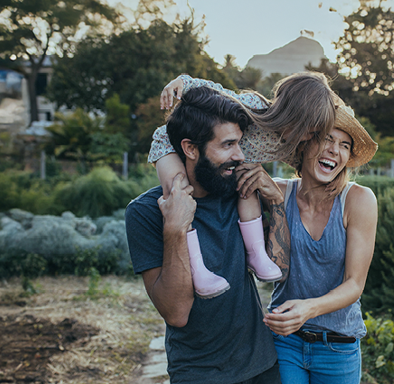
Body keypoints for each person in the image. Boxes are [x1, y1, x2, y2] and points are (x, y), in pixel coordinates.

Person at [126, 87, 287, 384]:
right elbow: (176, 313)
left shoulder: (237, 193)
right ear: (190, 148)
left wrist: (275, 202)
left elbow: (282, 263)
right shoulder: (145, 212)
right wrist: (175, 229)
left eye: (239, 143)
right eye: (227, 145)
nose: (239, 155)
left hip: (263, 366)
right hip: (198, 374)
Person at [149, 72, 336, 298]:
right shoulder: (255, 107)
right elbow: (216, 91)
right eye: (308, 129)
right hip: (169, 142)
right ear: (292, 114)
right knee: (177, 192)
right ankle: (197, 269)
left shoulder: (291, 144)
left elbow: (312, 165)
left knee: (248, 185)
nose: (309, 136)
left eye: (315, 132)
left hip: (231, 158)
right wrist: (183, 83)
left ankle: (256, 253)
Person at [260, 97, 379, 383]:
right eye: (326, 138)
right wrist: (190, 84)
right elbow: (241, 132)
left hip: (338, 347)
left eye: (344, 144)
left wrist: (308, 308)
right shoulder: (277, 192)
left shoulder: (358, 201)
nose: (334, 151)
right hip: (285, 341)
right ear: (304, 144)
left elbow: (354, 284)